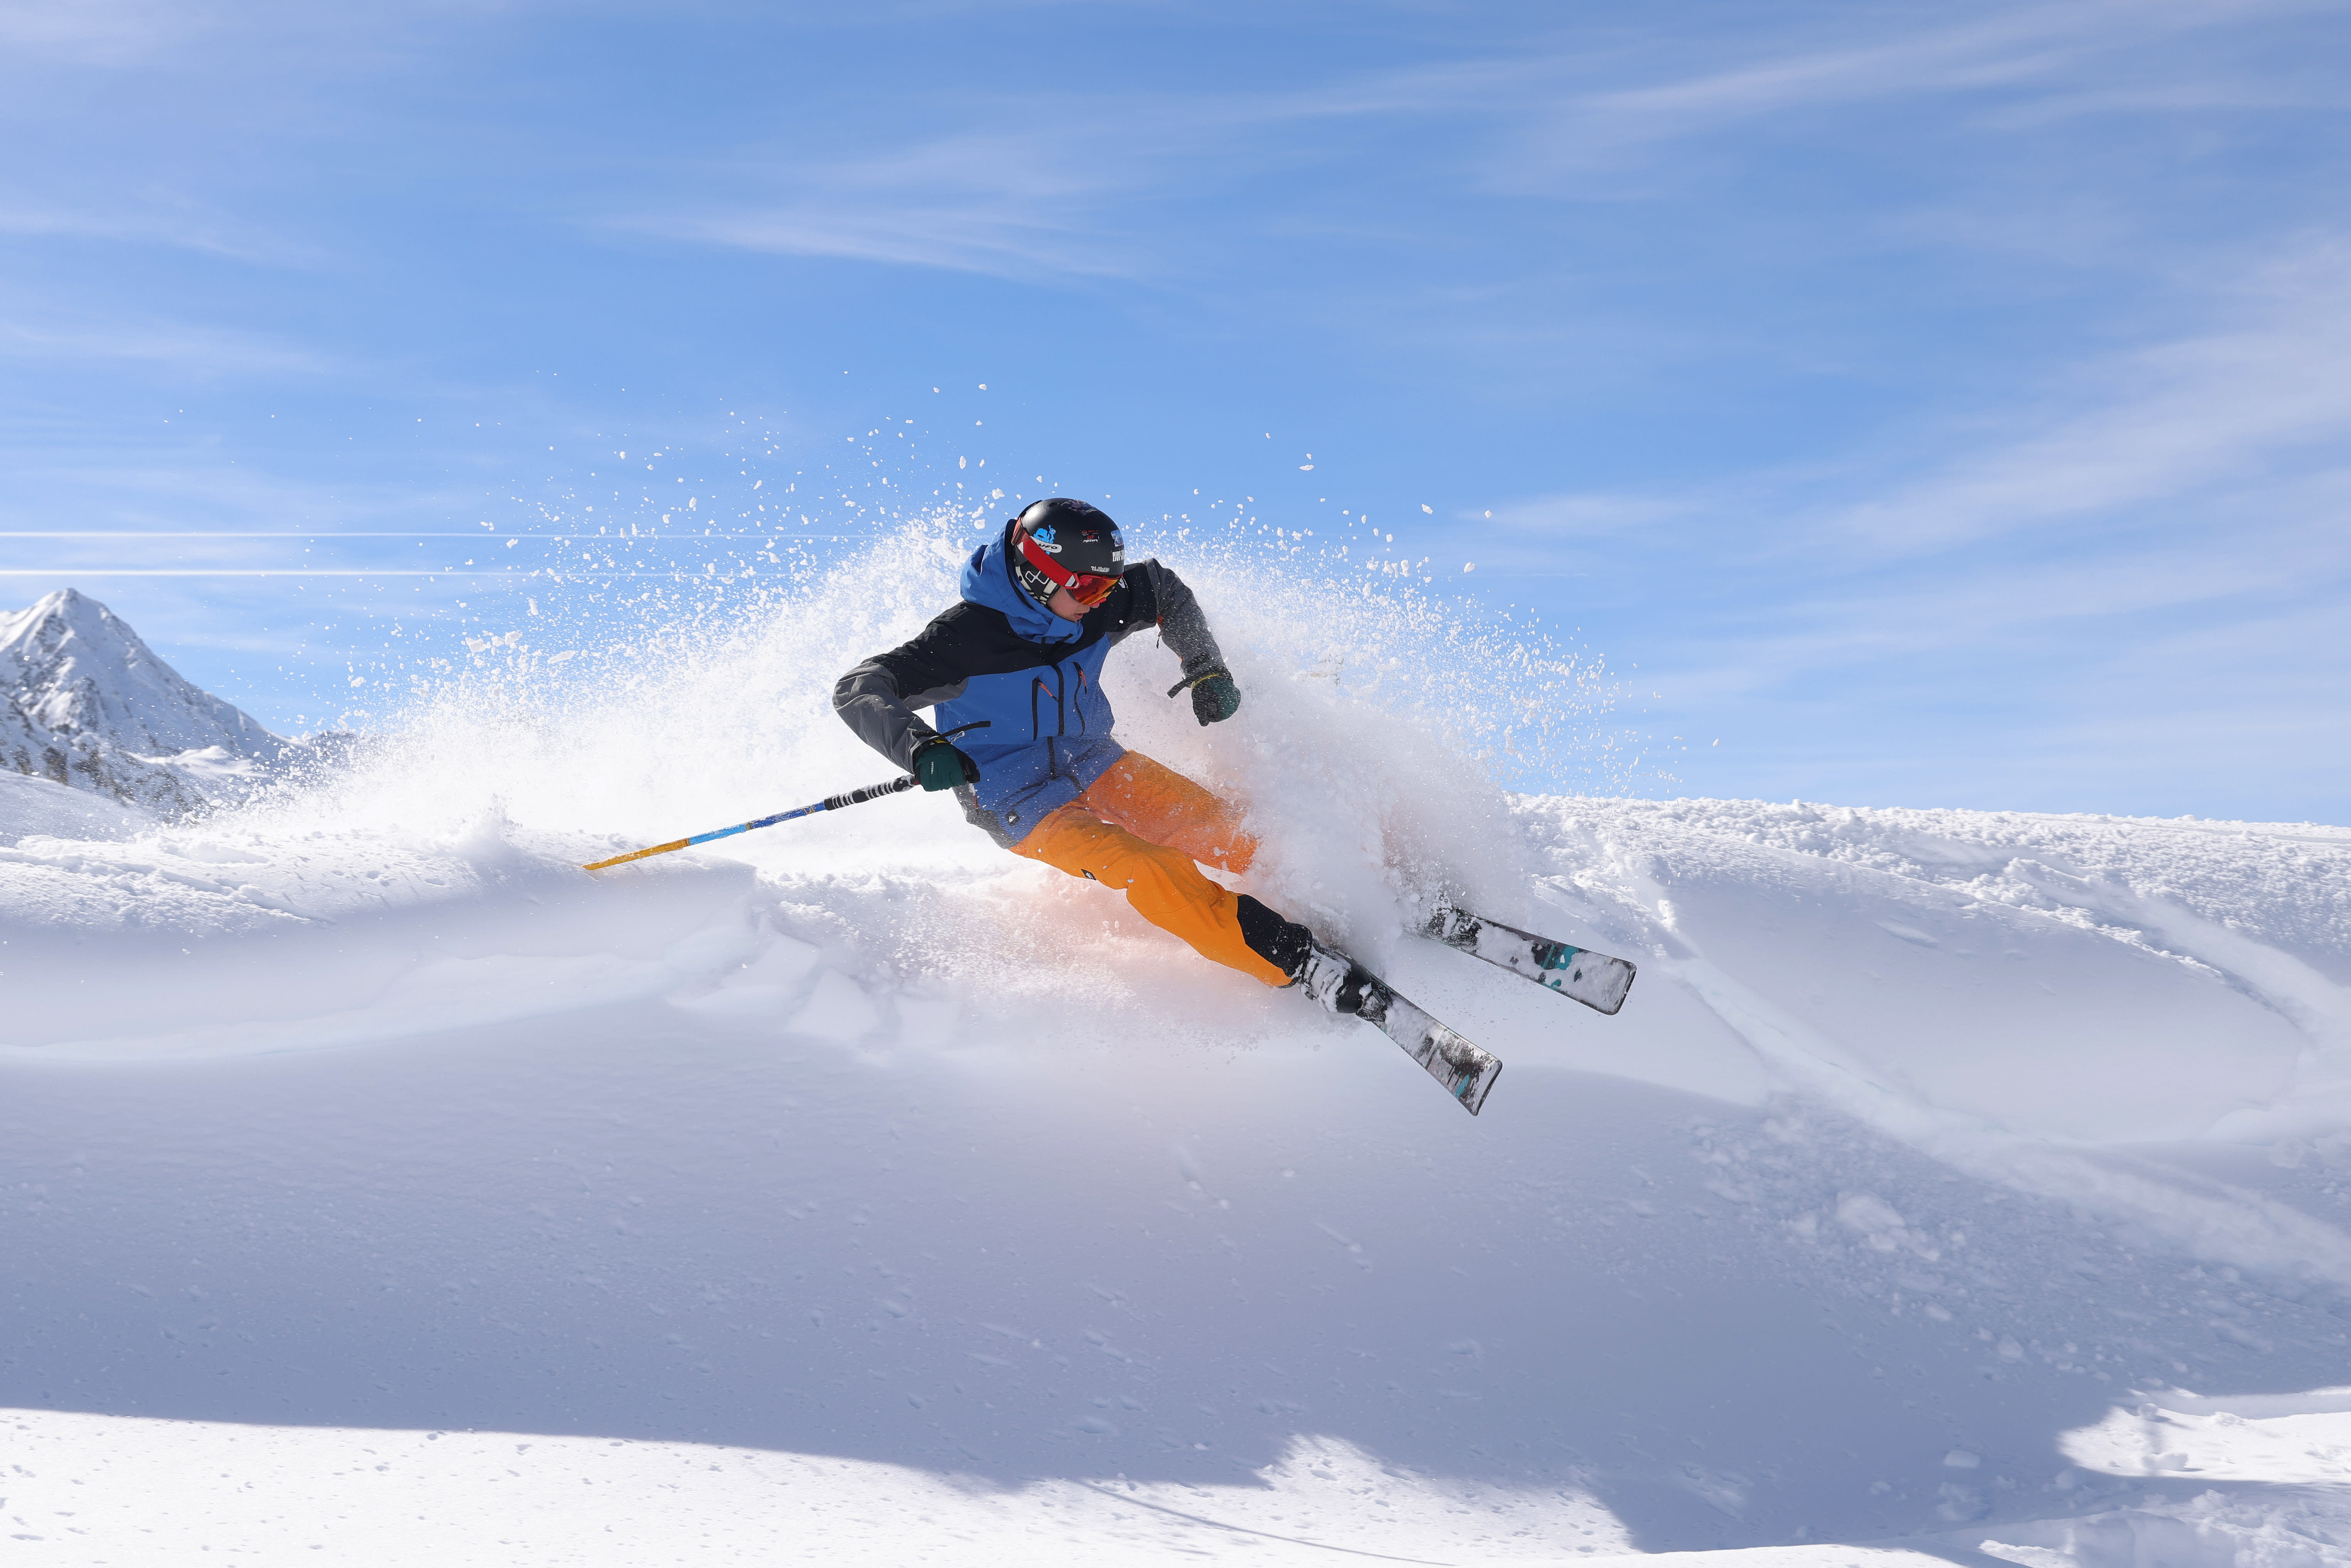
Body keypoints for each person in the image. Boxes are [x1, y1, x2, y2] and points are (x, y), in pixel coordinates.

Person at [833, 497, 1365, 1010]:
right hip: (1017, 802)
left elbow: (1162, 588)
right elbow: (860, 687)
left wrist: (1204, 665)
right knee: (1152, 867)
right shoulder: (963, 641)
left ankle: (1355, 909)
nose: (1102, 599)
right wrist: (920, 746)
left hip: (1096, 762)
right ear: (1038, 576)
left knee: (1234, 833)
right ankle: (1299, 965)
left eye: (1109, 585)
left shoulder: (1092, 607)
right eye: (1089, 586)